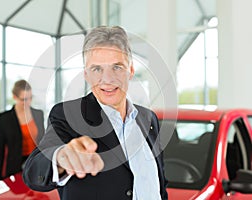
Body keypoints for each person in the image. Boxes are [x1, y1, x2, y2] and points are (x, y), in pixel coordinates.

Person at [23, 26, 168, 200]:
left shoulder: (148, 118)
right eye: (97, 69)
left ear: (130, 70)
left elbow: (158, 183)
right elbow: (33, 172)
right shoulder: (68, 116)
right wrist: (61, 157)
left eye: (117, 67)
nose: (107, 79)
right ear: (86, 74)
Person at [0, 79, 45, 181]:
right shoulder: (5, 118)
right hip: (16, 167)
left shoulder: (38, 114)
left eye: (30, 98)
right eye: (24, 99)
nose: (28, 102)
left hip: (37, 163)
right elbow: (0, 150)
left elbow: (43, 141)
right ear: (14, 97)